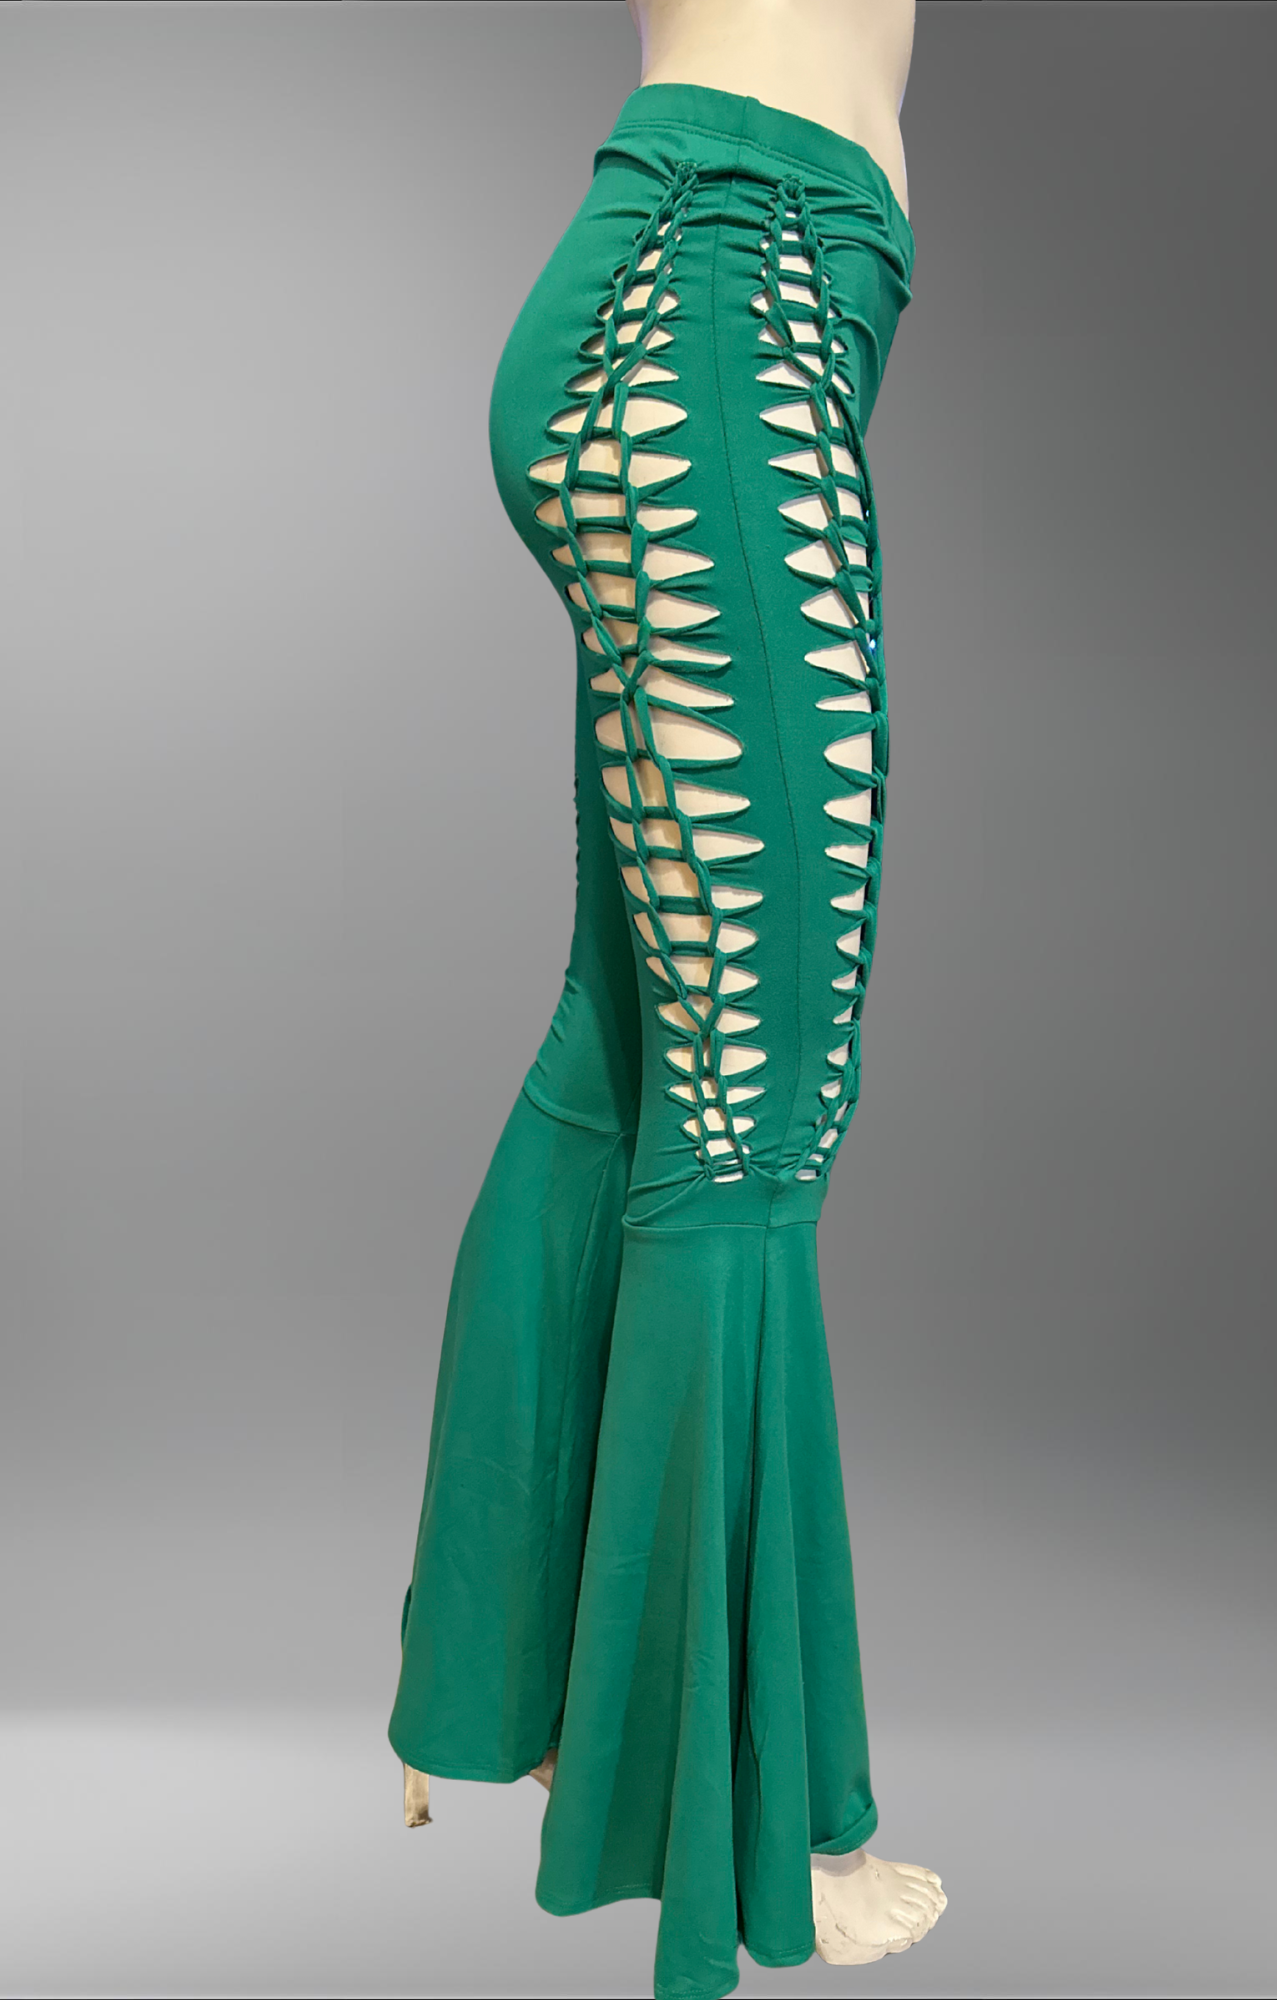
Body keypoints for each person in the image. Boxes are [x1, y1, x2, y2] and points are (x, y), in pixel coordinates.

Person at [388, 6, 943, 1994]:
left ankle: (511, 1691)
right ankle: (748, 1836)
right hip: (727, 290)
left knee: (630, 1048)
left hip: (723, 306)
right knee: (750, 1118)